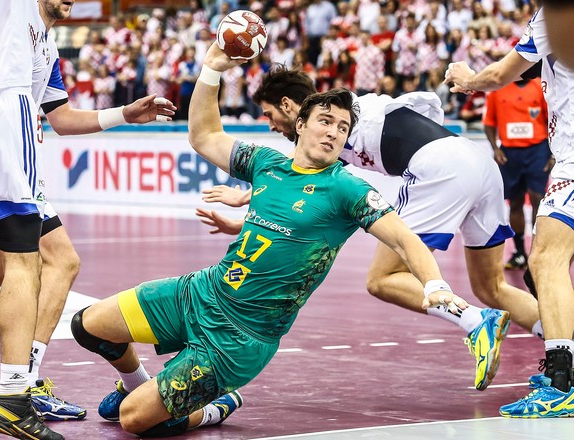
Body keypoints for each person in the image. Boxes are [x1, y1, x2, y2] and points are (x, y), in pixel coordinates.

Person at [68, 42, 469, 437]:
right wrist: (212, 67)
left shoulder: (348, 189)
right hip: (201, 292)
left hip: (240, 338)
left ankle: (215, 407)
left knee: (133, 421)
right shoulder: (267, 164)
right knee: (87, 326)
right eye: (325, 121)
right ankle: (137, 381)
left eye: (343, 127)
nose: (333, 133)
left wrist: (434, 283)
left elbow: (404, 239)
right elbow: (205, 135)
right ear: (301, 125)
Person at [0, 0, 176, 427]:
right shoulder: (11, 13)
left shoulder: (42, 45)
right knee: (35, 260)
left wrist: (124, 115)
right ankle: (21, 388)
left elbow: (59, 117)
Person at [199, 65, 544, 393]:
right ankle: (565, 350)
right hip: (476, 160)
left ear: (289, 106)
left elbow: (291, 181)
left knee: (382, 279)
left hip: (441, 169)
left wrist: (245, 200)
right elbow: (294, 186)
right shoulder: (352, 112)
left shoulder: (332, 124)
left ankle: (473, 320)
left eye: (270, 115)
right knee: (492, 285)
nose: (272, 125)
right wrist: (247, 203)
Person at [445, 6, 574, 418]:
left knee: (546, 259)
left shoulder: (557, 12)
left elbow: (500, 74)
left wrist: (466, 79)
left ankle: (561, 383)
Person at [482, 77, 552, 270]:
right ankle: (520, 252)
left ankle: (539, 253)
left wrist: (552, 152)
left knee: (538, 198)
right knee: (515, 202)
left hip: (538, 150)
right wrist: (495, 149)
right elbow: (489, 122)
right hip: (510, 152)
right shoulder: (498, 87)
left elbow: (552, 120)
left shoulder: (541, 85)